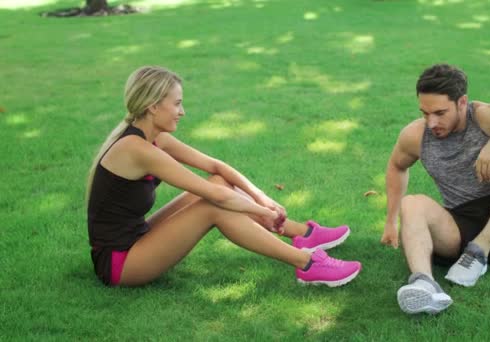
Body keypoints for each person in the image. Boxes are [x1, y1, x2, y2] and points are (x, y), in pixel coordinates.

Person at [86, 66, 361, 287]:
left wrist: (262, 199)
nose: (183, 112)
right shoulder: (136, 148)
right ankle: (308, 263)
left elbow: (217, 169)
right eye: (177, 104)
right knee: (212, 206)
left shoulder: (157, 138)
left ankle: (304, 234)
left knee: (216, 183)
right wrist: (262, 213)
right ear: (153, 106)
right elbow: (216, 197)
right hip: (119, 263)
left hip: (138, 237)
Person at [380, 64, 490, 314]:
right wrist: (390, 221)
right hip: (462, 227)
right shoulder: (415, 136)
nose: (432, 122)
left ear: (462, 102)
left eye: (440, 113)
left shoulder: (487, 116)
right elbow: (396, 167)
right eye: (425, 113)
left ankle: (481, 250)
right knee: (412, 203)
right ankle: (425, 284)